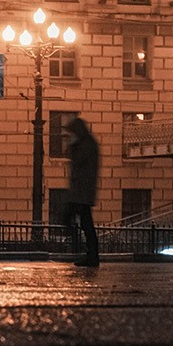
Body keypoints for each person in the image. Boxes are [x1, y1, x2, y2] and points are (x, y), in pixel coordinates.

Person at [64, 113, 101, 267]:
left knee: (78, 220)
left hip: (82, 191)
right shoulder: (87, 142)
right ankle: (91, 255)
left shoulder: (86, 144)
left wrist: (72, 145)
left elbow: (78, 161)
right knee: (86, 223)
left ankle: (90, 255)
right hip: (81, 190)